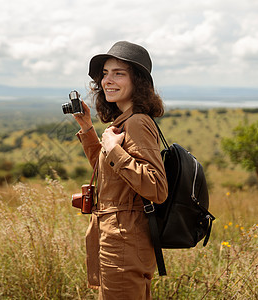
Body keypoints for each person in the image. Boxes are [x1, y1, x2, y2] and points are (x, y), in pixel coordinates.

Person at [73, 41, 168, 299]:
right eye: (105, 74)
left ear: (138, 81)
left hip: (124, 242)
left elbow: (157, 188)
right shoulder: (124, 121)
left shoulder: (137, 123)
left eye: (119, 73)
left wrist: (115, 149)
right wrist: (87, 129)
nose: (108, 80)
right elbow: (109, 175)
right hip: (116, 238)